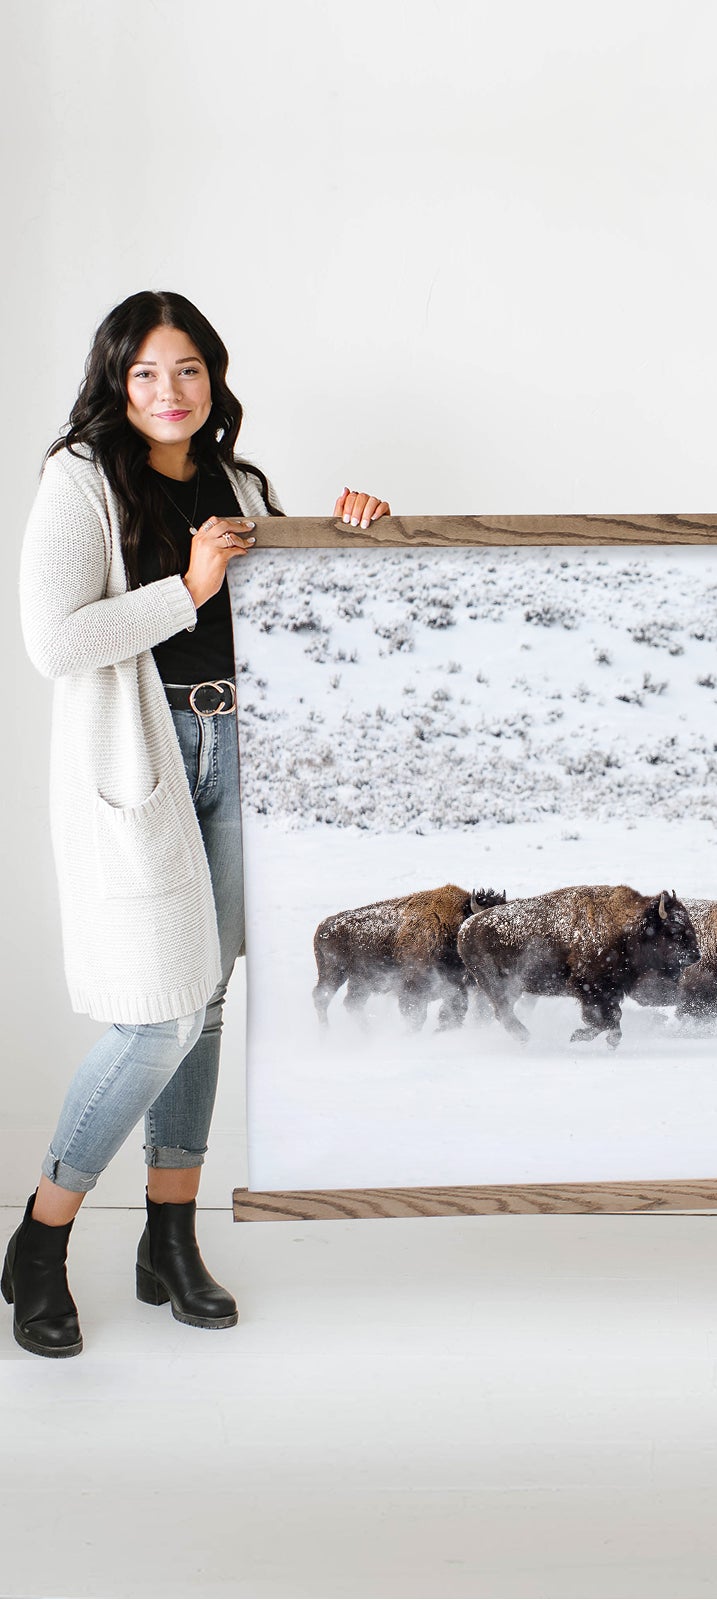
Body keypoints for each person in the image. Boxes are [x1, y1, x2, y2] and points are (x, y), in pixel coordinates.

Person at [6, 290, 390, 1358]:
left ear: (211, 377)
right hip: (147, 757)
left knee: (210, 1001)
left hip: (242, 751)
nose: (168, 392)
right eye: (144, 374)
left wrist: (352, 533)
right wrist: (187, 585)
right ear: (114, 384)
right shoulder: (80, 482)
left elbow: (302, 618)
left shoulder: (241, 484)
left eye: (186, 370)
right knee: (157, 1015)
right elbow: (55, 641)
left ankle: (168, 1239)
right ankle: (42, 1237)